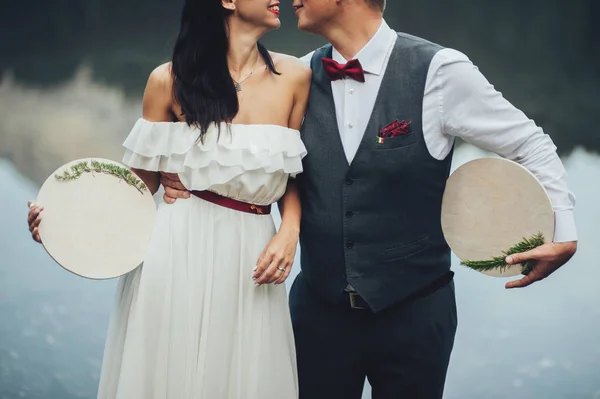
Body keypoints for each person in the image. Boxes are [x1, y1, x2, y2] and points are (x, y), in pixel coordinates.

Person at [158, 0, 578, 398]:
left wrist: (564, 229)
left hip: (416, 314)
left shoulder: (439, 71)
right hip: (317, 313)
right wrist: (176, 172)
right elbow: (250, 154)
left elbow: (531, 145)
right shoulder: (298, 76)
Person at [26, 0, 311, 398]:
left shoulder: (296, 76)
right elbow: (137, 190)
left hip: (254, 257)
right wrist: (63, 222)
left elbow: (296, 172)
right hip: (177, 251)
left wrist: (289, 232)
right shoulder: (168, 80)